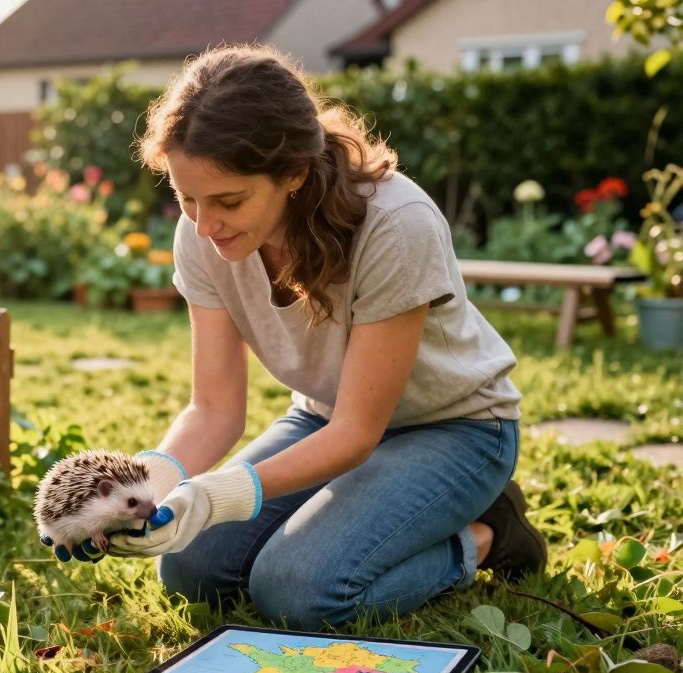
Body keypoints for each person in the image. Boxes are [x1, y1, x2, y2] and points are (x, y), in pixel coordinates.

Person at [42, 44, 546, 630]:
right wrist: (146, 495)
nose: (205, 226)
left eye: (229, 201)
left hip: (455, 430)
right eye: (186, 198)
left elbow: (358, 432)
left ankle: (490, 535)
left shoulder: (395, 224)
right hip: (323, 420)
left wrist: (217, 495)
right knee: (191, 570)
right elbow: (213, 408)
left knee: (299, 590)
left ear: (295, 175)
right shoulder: (202, 231)